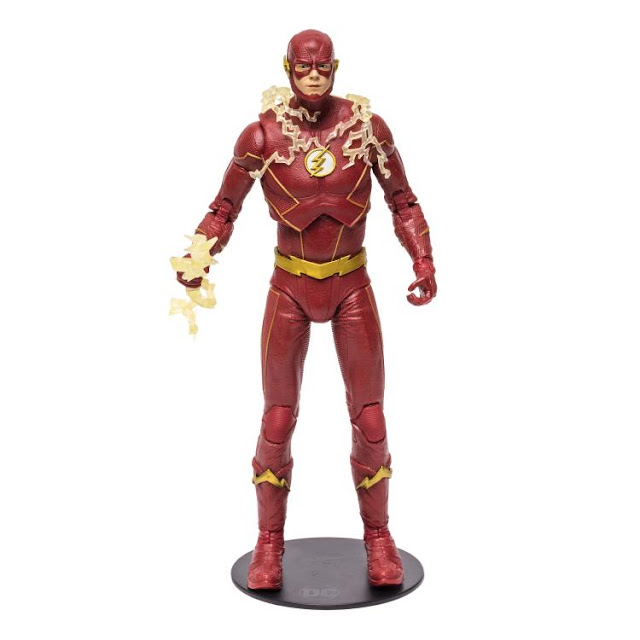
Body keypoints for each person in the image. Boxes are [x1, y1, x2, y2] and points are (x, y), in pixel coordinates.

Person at [177, 29, 437, 590]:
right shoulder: (262, 135)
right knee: (277, 419)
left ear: (336, 68)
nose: (313, 76)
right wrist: (198, 254)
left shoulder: (366, 128)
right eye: (304, 67)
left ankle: (379, 537)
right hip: (289, 287)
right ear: (288, 68)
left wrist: (423, 258)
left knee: (370, 418)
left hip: (352, 284)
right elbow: (224, 207)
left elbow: (403, 200)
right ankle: (268, 543)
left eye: (322, 67)